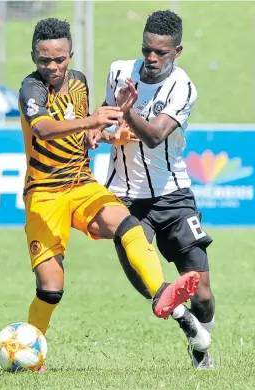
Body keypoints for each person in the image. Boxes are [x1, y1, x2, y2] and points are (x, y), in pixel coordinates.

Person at [18, 17, 201, 371]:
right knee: (51, 287)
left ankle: (162, 291)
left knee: (127, 223)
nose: (52, 67)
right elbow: (43, 129)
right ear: (33, 57)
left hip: (81, 183)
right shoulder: (31, 89)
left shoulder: (80, 82)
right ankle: (30, 349)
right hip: (44, 194)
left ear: (70, 54)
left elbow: (85, 131)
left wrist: (101, 135)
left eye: (59, 59)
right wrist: (90, 122)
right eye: (44, 60)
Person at [94, 10, 215, 369]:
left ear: (176, 51)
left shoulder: (183, 86)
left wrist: (127, 112)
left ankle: (200, 346)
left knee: (203, 292)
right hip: (123, 195)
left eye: (160, 53)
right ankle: (180, 315)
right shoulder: (119, 70)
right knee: (140, 268)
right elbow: (106, 111)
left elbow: (154, 136)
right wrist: (97, 128)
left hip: (173, 195)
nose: (151, 58)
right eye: (146, 49)